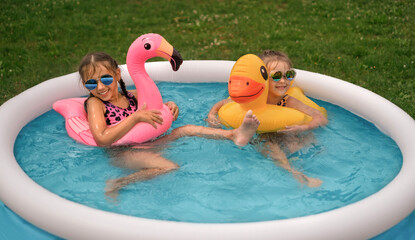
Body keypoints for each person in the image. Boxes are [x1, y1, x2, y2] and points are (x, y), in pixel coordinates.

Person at [78, 52, 260, 199]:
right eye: (92, 83)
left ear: (117, 74)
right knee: (168, 167)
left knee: (185, 129)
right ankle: (118, 183)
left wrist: (169, 105)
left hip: (150, 142)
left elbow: (156, 106)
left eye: (106, 79)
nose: (100, 87)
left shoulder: (130, 96)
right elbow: (101, 138)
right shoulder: (97, 103)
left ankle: (234, 134)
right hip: (122, 152)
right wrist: (135, 118)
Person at [207, 50, 328, 187]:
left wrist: (304, 127)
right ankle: (294, 173)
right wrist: (212, 115)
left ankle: (299, 170)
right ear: (261, 78)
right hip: (260, 135)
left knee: (297, 143)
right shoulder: (251, 98)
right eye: (276, 76)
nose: (283, 81)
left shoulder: (287, 101)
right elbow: (223, 103)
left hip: (284, 133)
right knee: (268, 144)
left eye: (288, 75)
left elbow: (320, 118)